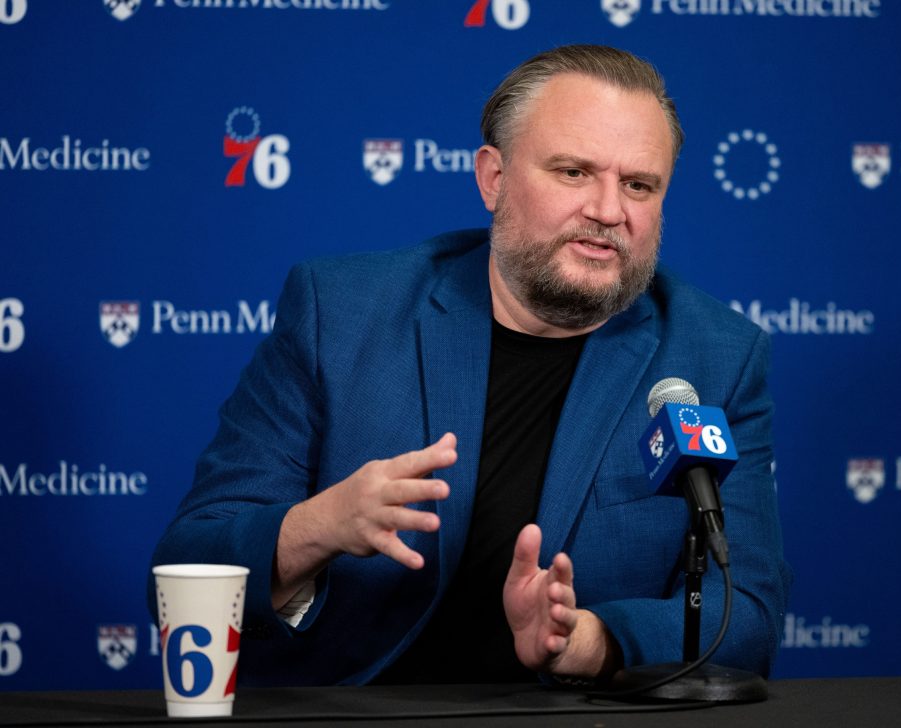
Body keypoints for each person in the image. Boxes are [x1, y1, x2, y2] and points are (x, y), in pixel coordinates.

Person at [150, 44, 790, 687]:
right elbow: (186, 567)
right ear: (493, 178)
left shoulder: (715, 356)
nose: (607, 210)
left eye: (638, 185)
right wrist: (323, 525)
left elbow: (750, 616)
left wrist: (587, 642)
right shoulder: (340, 315)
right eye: (572, 172)